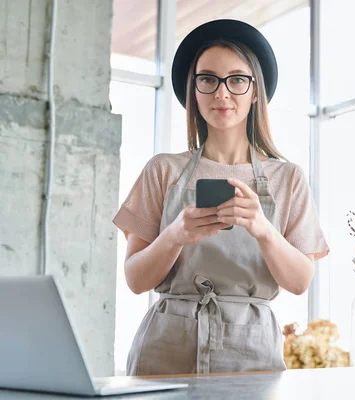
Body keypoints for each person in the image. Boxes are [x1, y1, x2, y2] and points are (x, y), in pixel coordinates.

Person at [112, 19, 330, 376]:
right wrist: (175, 235)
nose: (222, 93)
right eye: (208, 79)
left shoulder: (287, 178)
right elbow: (136, 280)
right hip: (165, 349)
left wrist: (262, 228)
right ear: (194, 90)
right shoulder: (163, 170)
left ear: (255, 91)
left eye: (237, 80)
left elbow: (300, 281)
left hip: (251, 355)